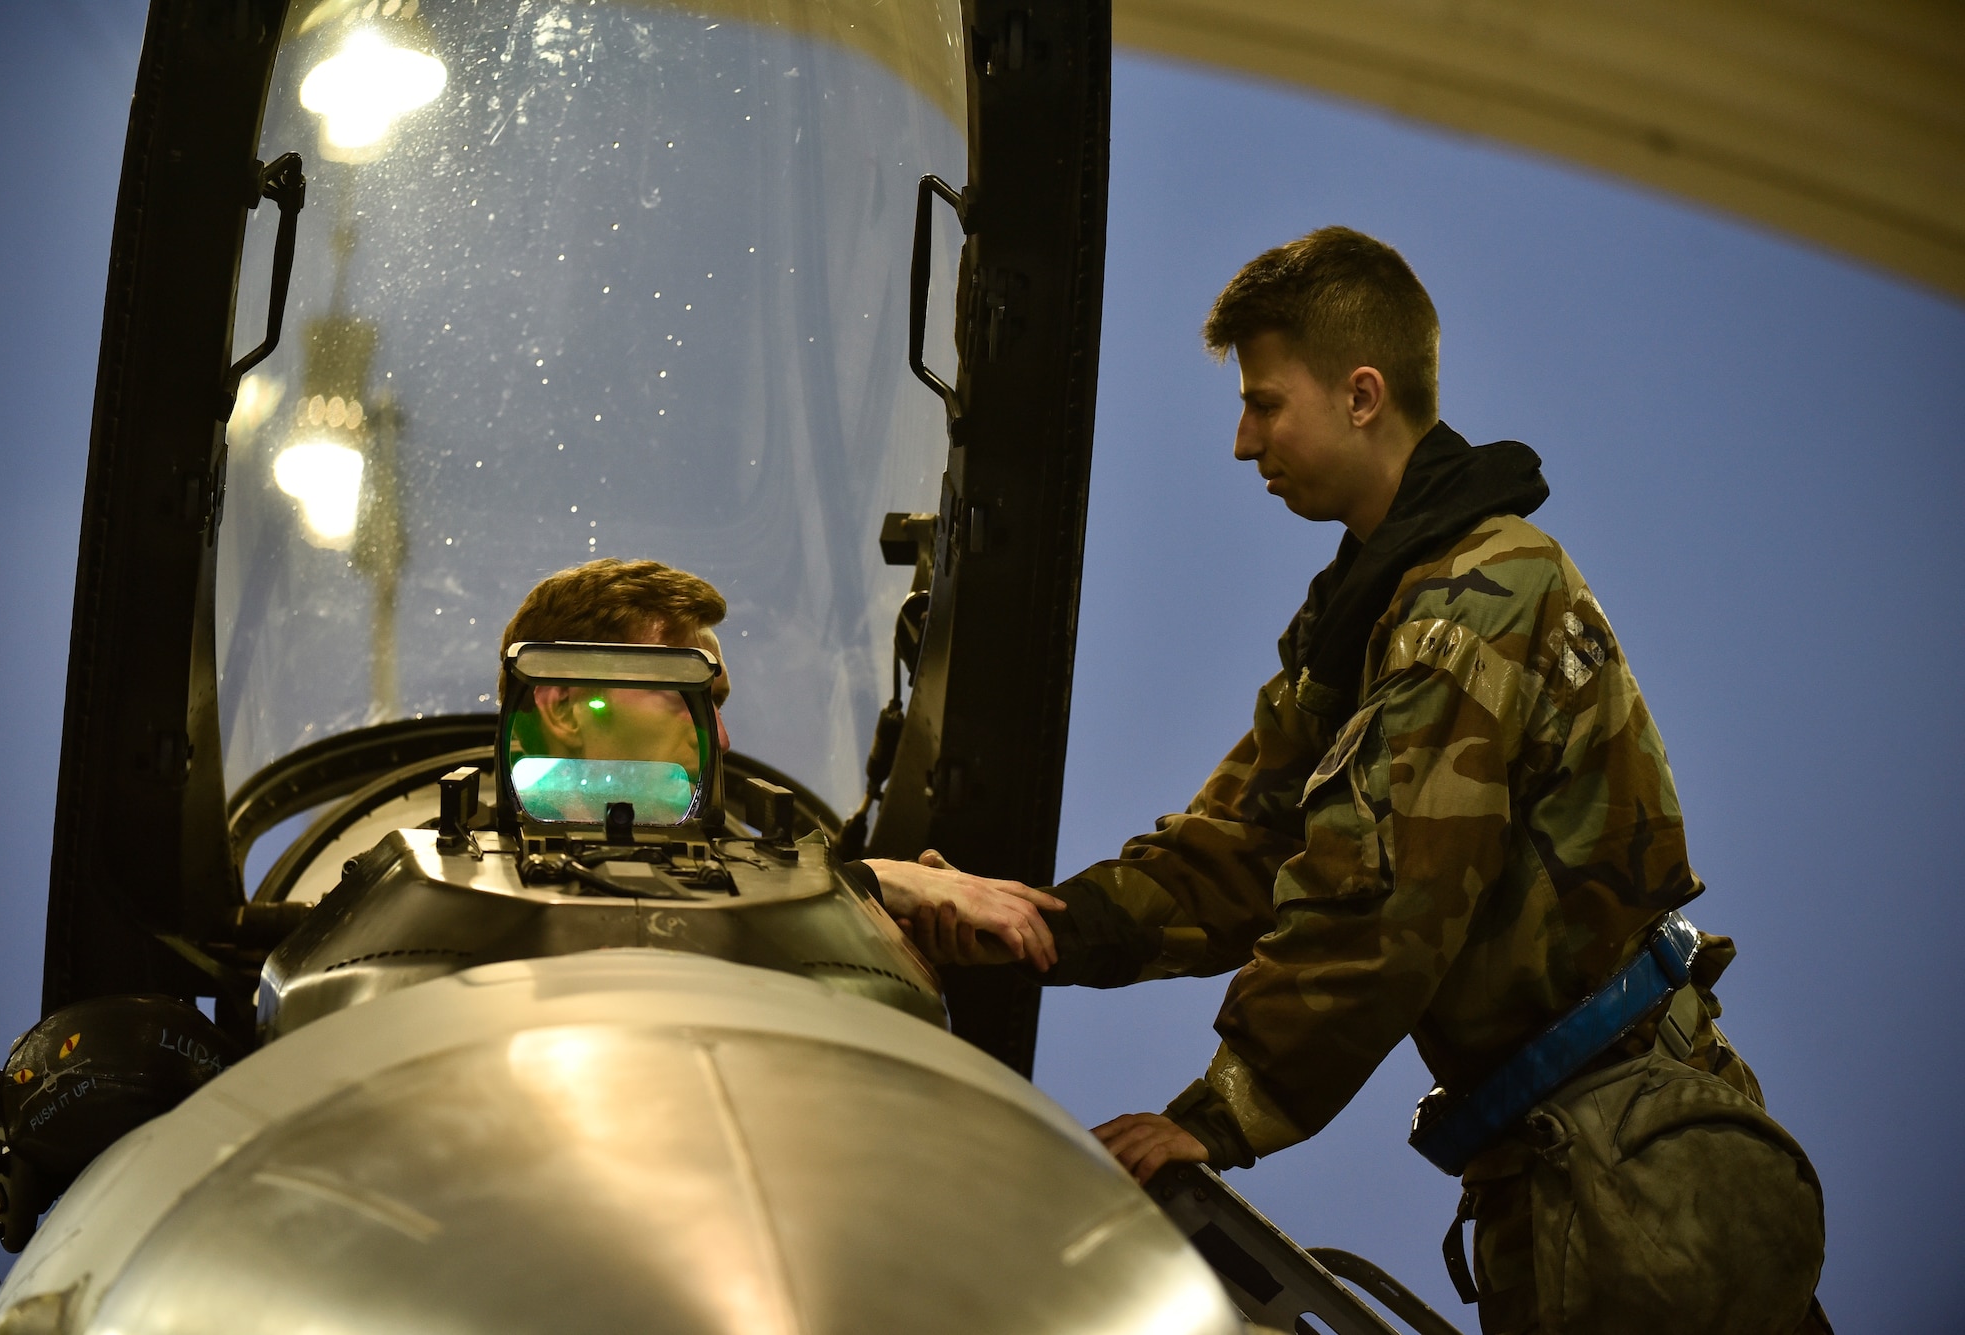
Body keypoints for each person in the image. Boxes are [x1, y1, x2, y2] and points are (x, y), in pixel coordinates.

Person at [867, 229, 1828, 1334]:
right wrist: (1033, 924)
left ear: (1361, 393)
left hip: (1628, 1162)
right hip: (1563, 1162)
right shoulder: (1364, 625)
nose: (1242, 443)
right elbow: (1243, 850)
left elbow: (1385, 902)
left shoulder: (1474, 599)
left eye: (1265, 404)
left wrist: (1218, 1116)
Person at [499, 559, 1068, 969]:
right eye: (685, 698)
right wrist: (870, 886)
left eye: (716, 705)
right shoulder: (429, 866)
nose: (720, 741)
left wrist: (902, 946)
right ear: (565, 706)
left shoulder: (763, 864)